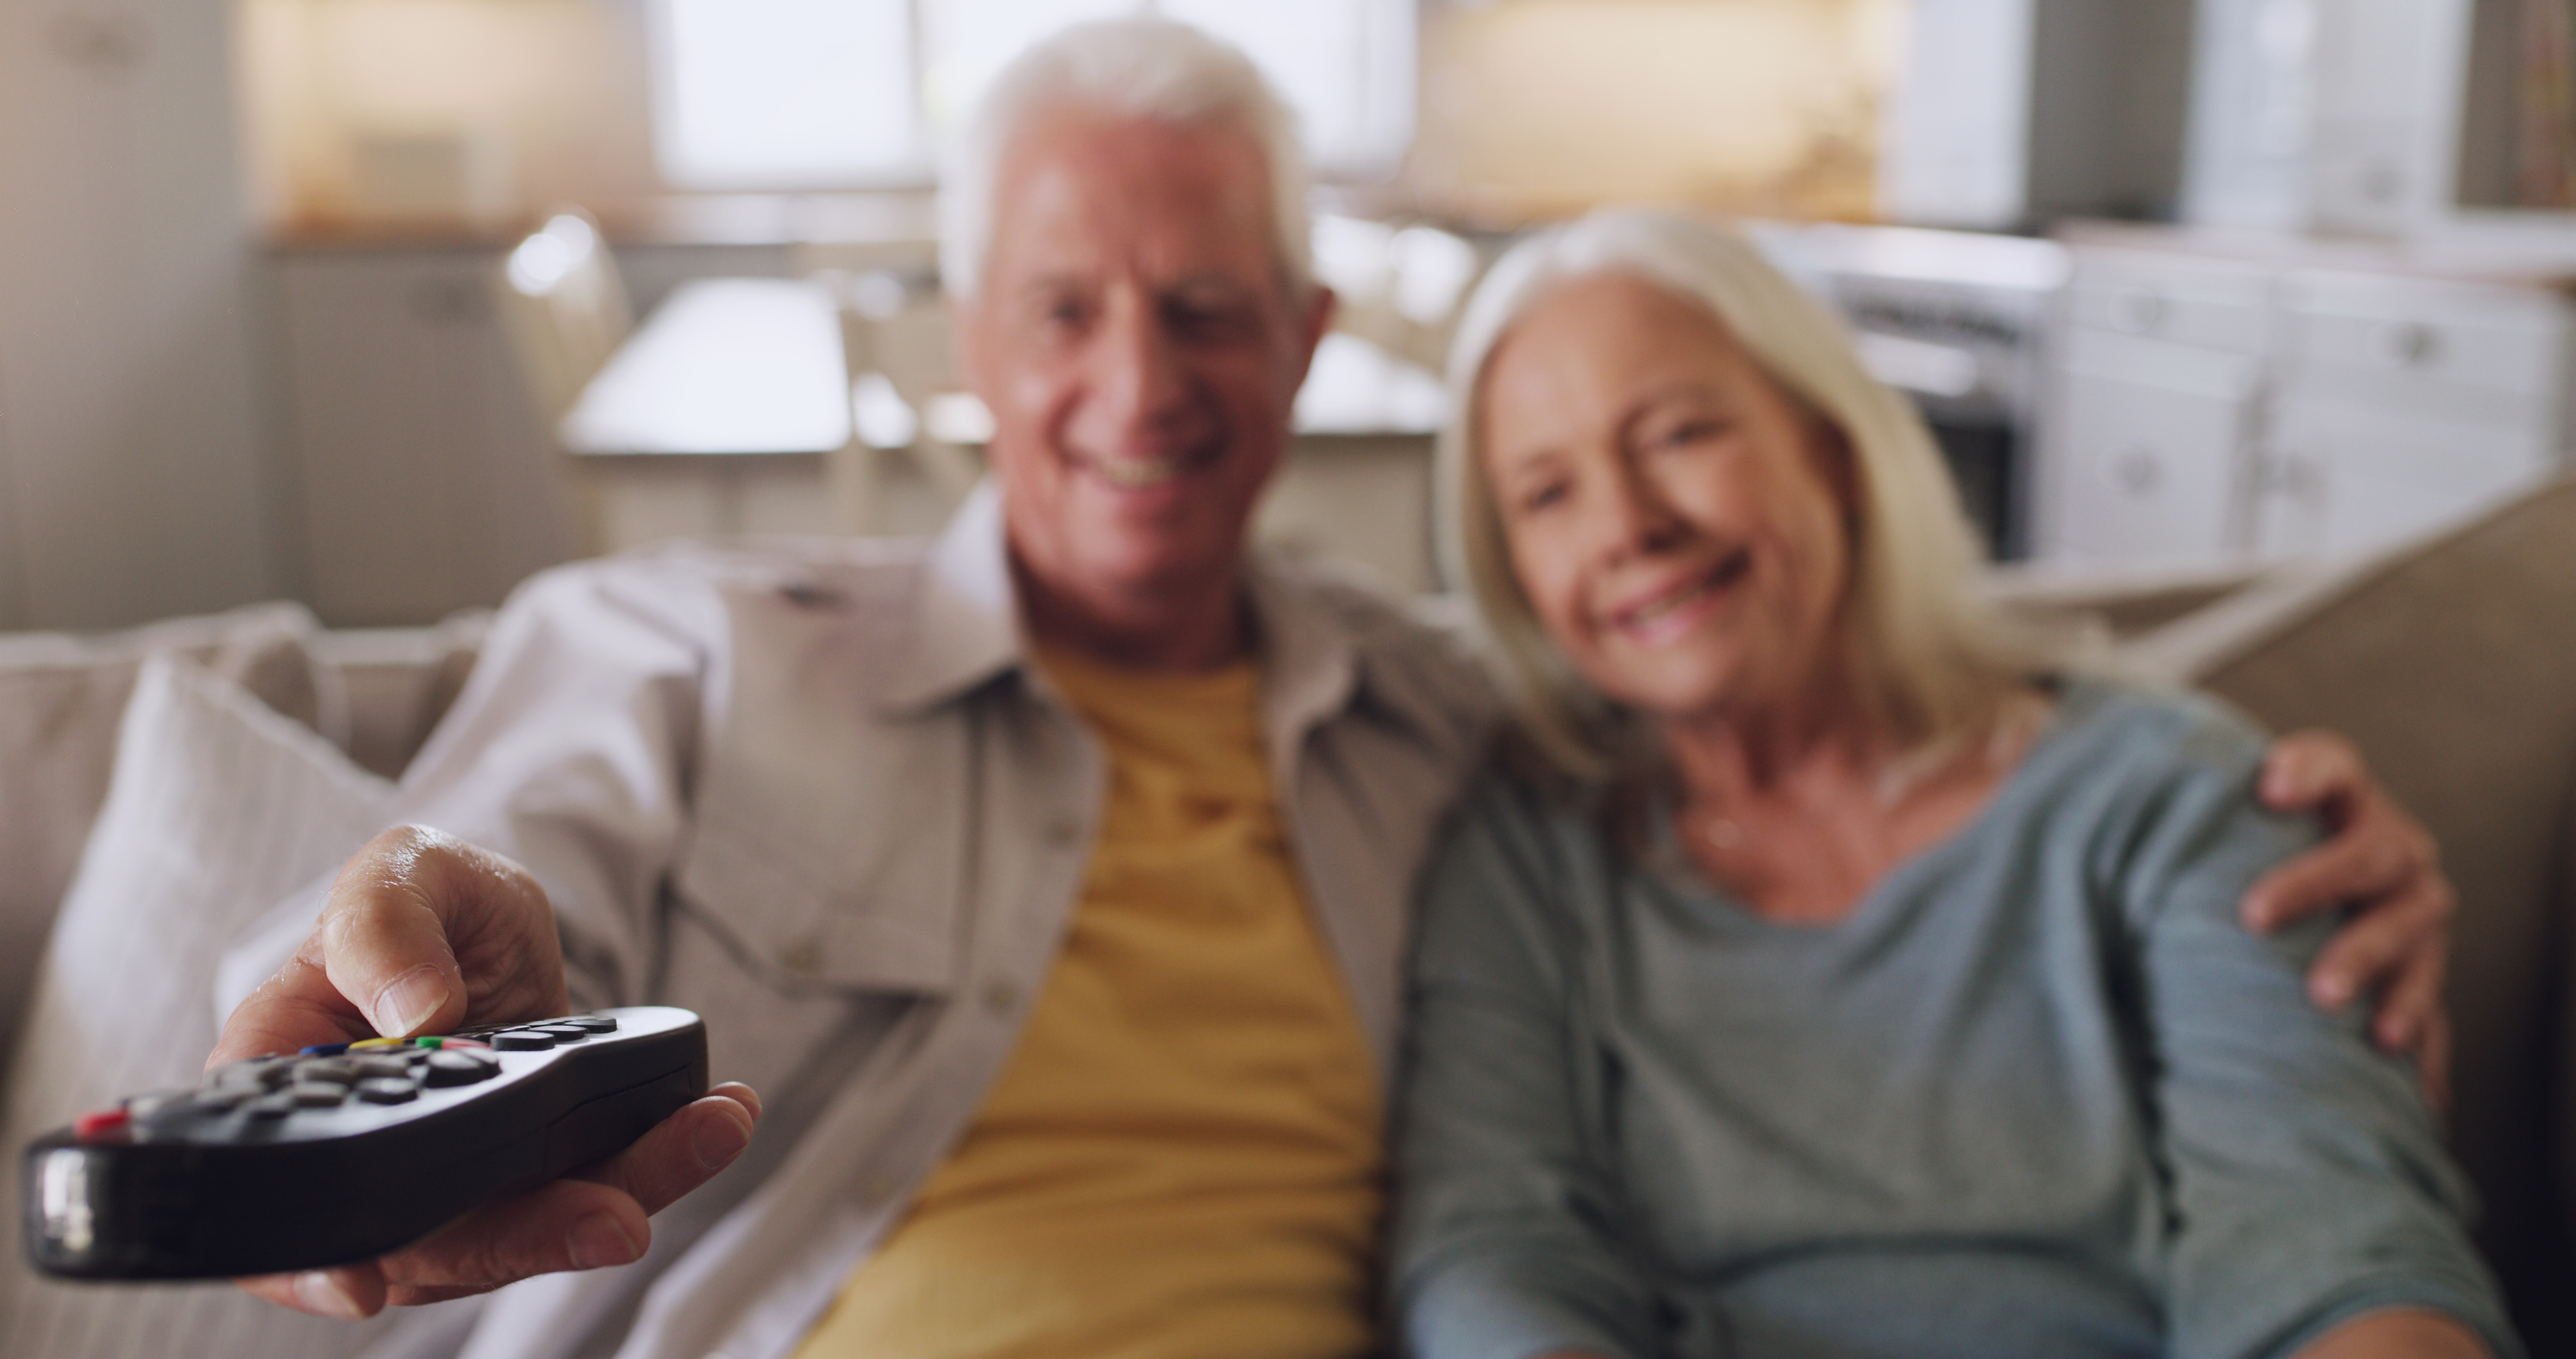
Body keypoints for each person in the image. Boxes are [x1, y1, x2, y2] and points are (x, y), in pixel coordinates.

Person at [210, 21, 2455, 1359]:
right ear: (969, 341)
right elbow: (492, 882)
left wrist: (2279, 802)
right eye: (1065, 311)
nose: (1138, 386)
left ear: (1303, 341)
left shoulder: (1468, 726)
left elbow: (1846, 718)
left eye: (1209, 309)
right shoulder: (694, 641)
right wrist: (414, 983)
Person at [1390, 209, 2516, 1359]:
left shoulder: (2175, 798)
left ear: (1832, 448)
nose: (1628, 526)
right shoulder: (1525, 856)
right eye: (1547, 495)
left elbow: (2334, 1251)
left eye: (1679, 434)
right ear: (1512, 573)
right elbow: (1500, 1255)